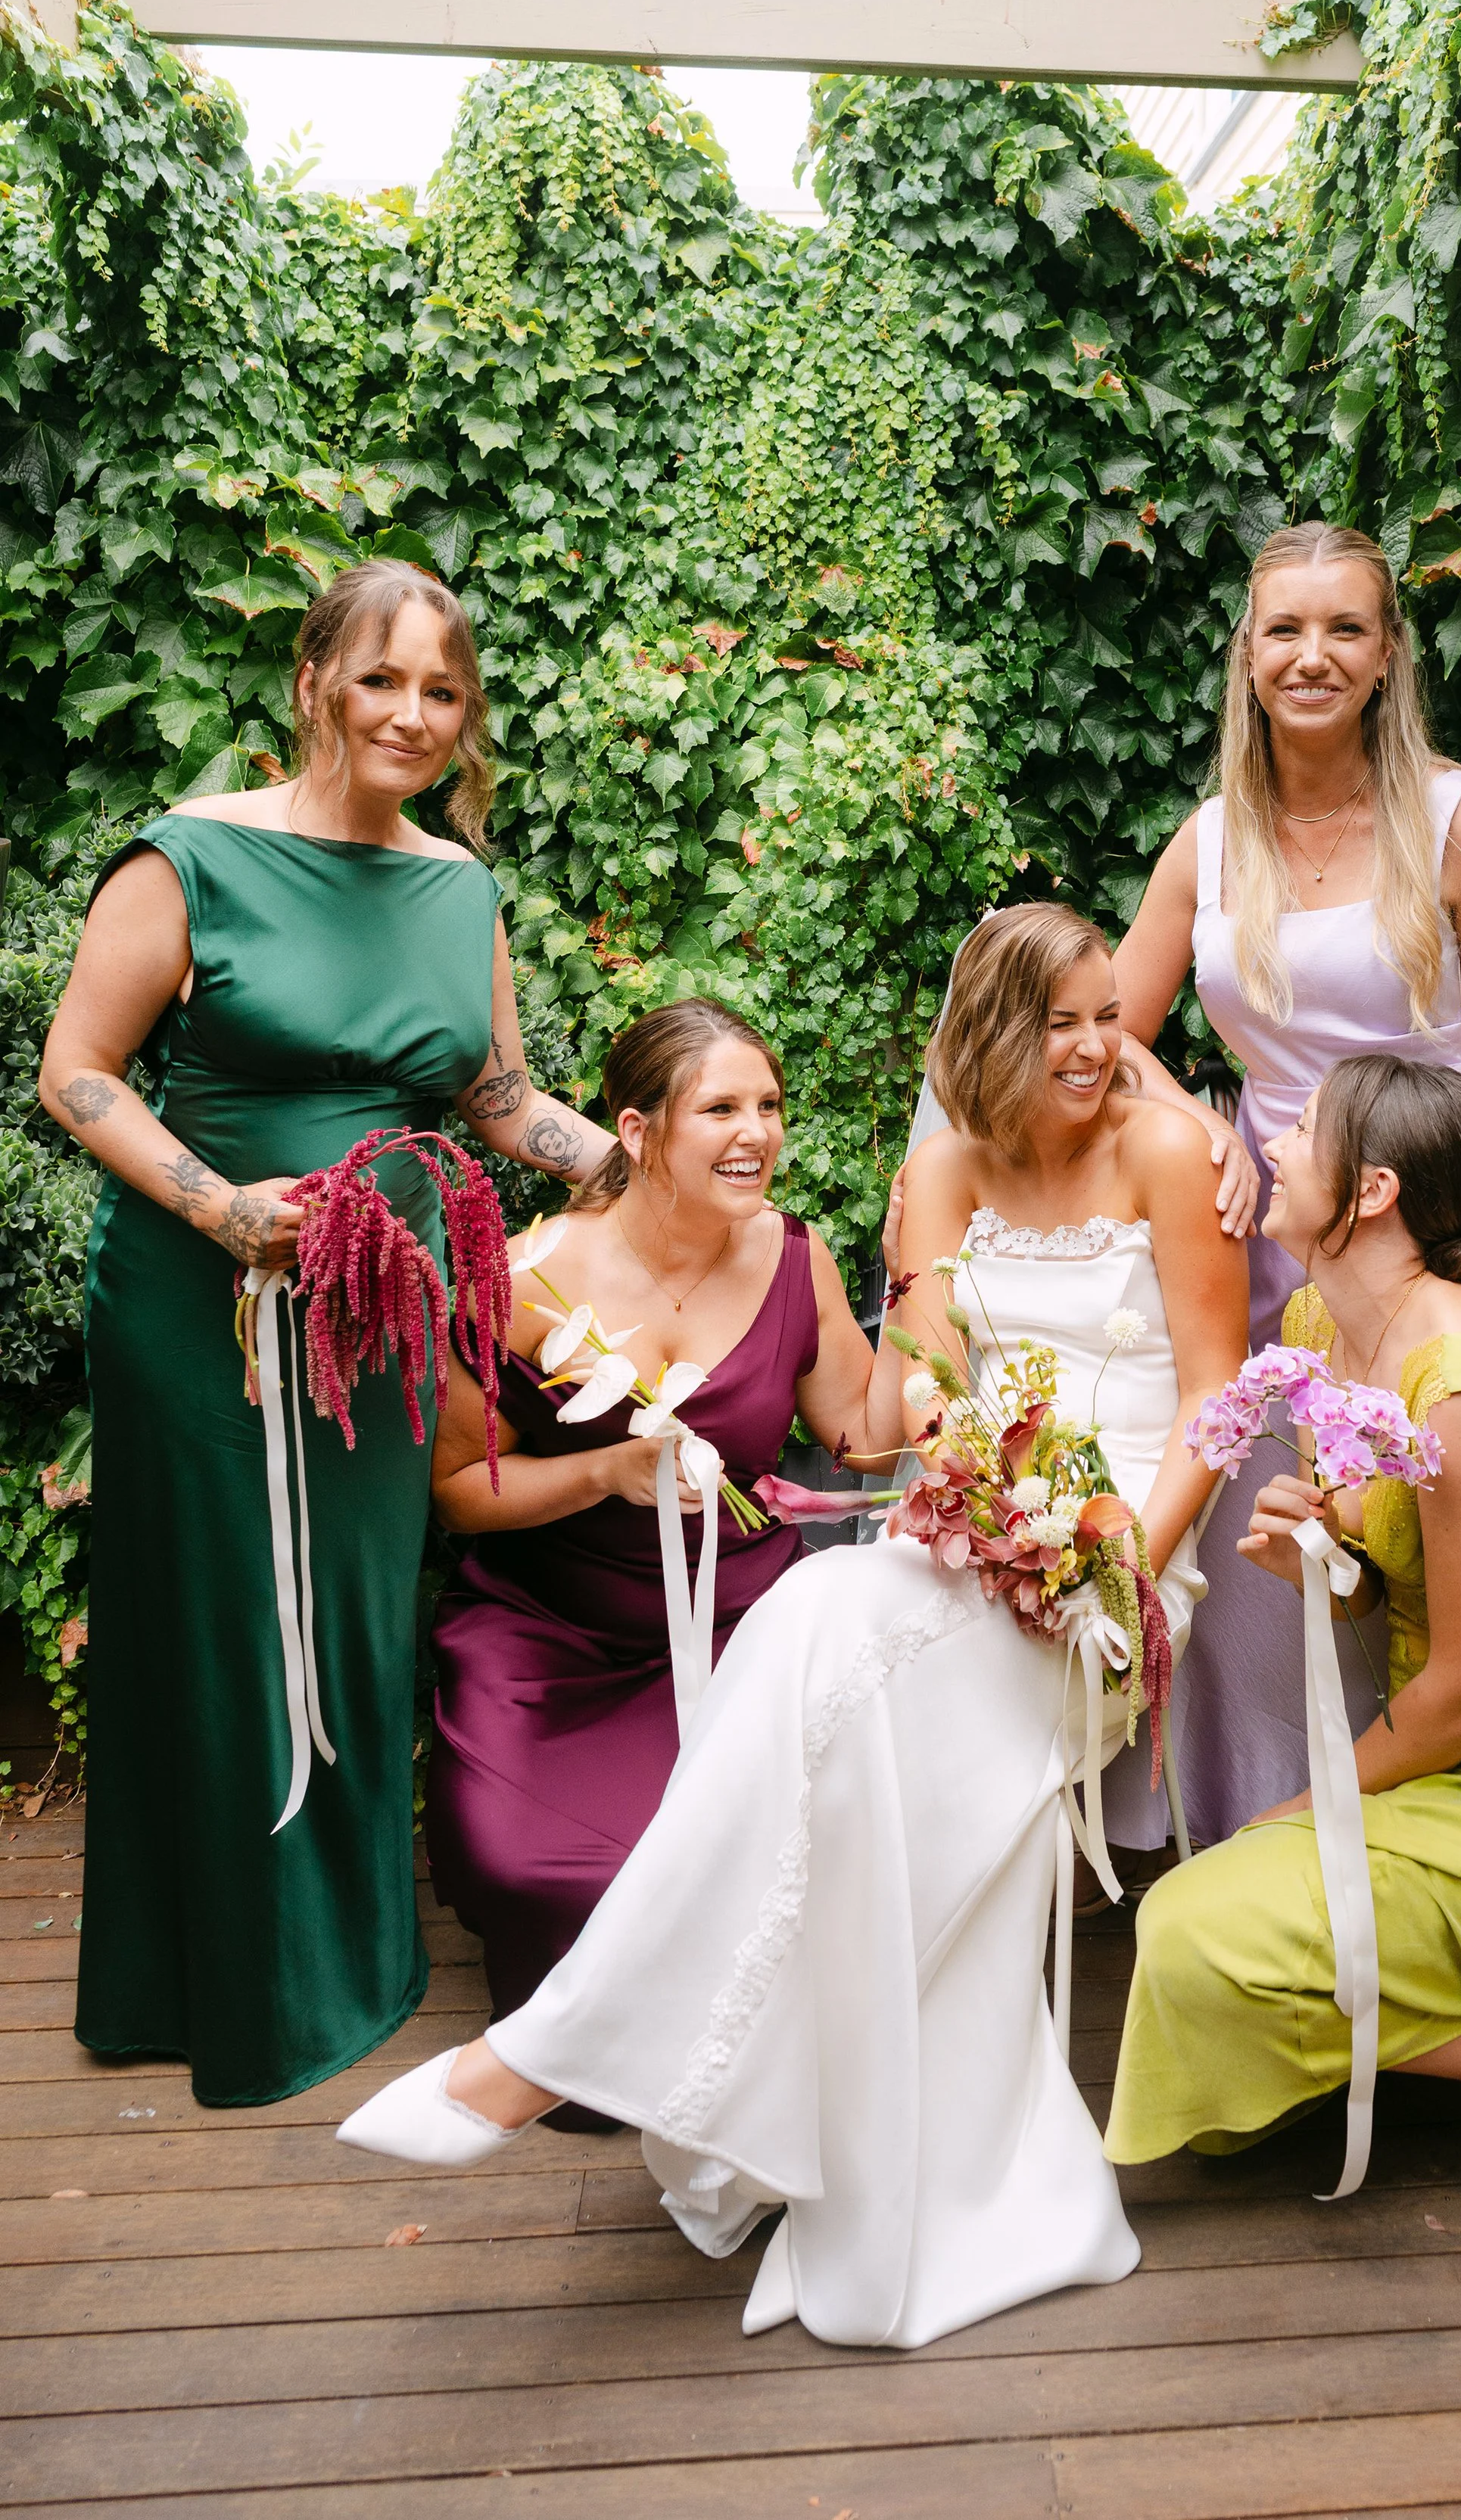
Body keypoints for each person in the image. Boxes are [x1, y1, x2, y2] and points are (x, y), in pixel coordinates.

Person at [338, 902, 1250, 2350]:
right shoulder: (941, 1165)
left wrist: (1121, 1564)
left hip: (1128, 1549)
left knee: (824, 1626)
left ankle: (539, 2055)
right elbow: (918, 1406)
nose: (1096, 1044)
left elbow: (1217, 1390)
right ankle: (675, 2084)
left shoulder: (1171, 1156)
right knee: (827, 1620)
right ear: (994, 1032)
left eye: (1106, 1015)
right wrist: (926, 1371)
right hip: (980, 1522)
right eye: (1061, 1019)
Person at [39, 558, 615, 2108]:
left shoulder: (457, 887)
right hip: (200, 1299)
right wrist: (223, 1209)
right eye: (382, 680)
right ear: (314, 684)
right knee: (228, 1619)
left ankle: (343, 1962)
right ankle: (213, 1981)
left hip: (380, 1300)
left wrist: (617, 1160)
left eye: (442, 690)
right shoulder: (192, 857)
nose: (412, 715)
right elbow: (77, 1074)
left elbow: (494, 1099)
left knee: (350, 1615)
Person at [1106, 1055, 1461, 2274]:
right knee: (1232, 1909)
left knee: (1192, 1933)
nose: (1269, 1141)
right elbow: (1405, 1576)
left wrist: (1307, 1809)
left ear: (1370, 1190)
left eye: (1299, 1128)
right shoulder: (1331, 1322)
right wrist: (1333, 1559)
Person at [1103, 518, 1461, 1849]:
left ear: (1390, 653)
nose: (1313, 654)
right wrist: (1206, 1129)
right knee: (1284, 1563)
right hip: (1278, 1233)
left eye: (1346, 627)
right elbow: (1101, 1027)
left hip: (1447, 1230)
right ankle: (1276, 1854)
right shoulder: (1209, 843)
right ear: (1249, 654)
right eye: (1285, 628)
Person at [425, 996, 911, 2067]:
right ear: (638, 1132)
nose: (758, 1132)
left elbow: (861, 1439)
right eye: (722, 1108)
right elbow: (459, 1487)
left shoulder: (795, 1256)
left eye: (770, 1104)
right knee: (542, 1868)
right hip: (549, 1636)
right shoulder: (524, 1281)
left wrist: (923, 1319)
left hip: (748, 1629)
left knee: (791, 1849)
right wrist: (604, 1468)